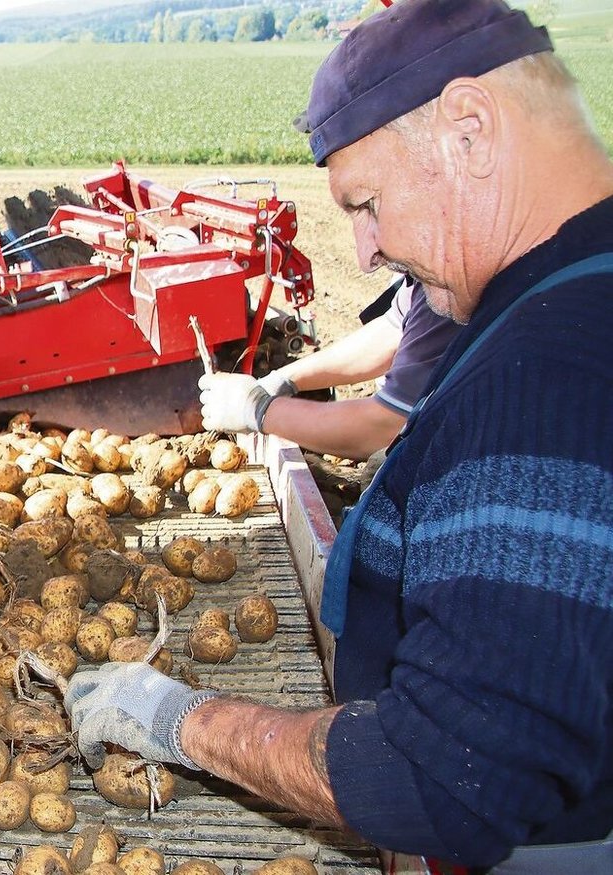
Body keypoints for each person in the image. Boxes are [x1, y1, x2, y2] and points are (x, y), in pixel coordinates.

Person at [68, 1, 613, 871]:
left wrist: (176, 719)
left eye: (367, 204)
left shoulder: (545, 376)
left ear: (469, 129)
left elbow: (447, 778)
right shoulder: (568, 293)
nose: (363, 251)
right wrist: (280, 385)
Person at [198, 274, 461, 460]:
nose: (365, 256)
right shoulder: (429, 273)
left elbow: (387, 426)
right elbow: (392, 332)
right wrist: (284, 378)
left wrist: (258, 410)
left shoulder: (453, 286)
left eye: (367, 209)